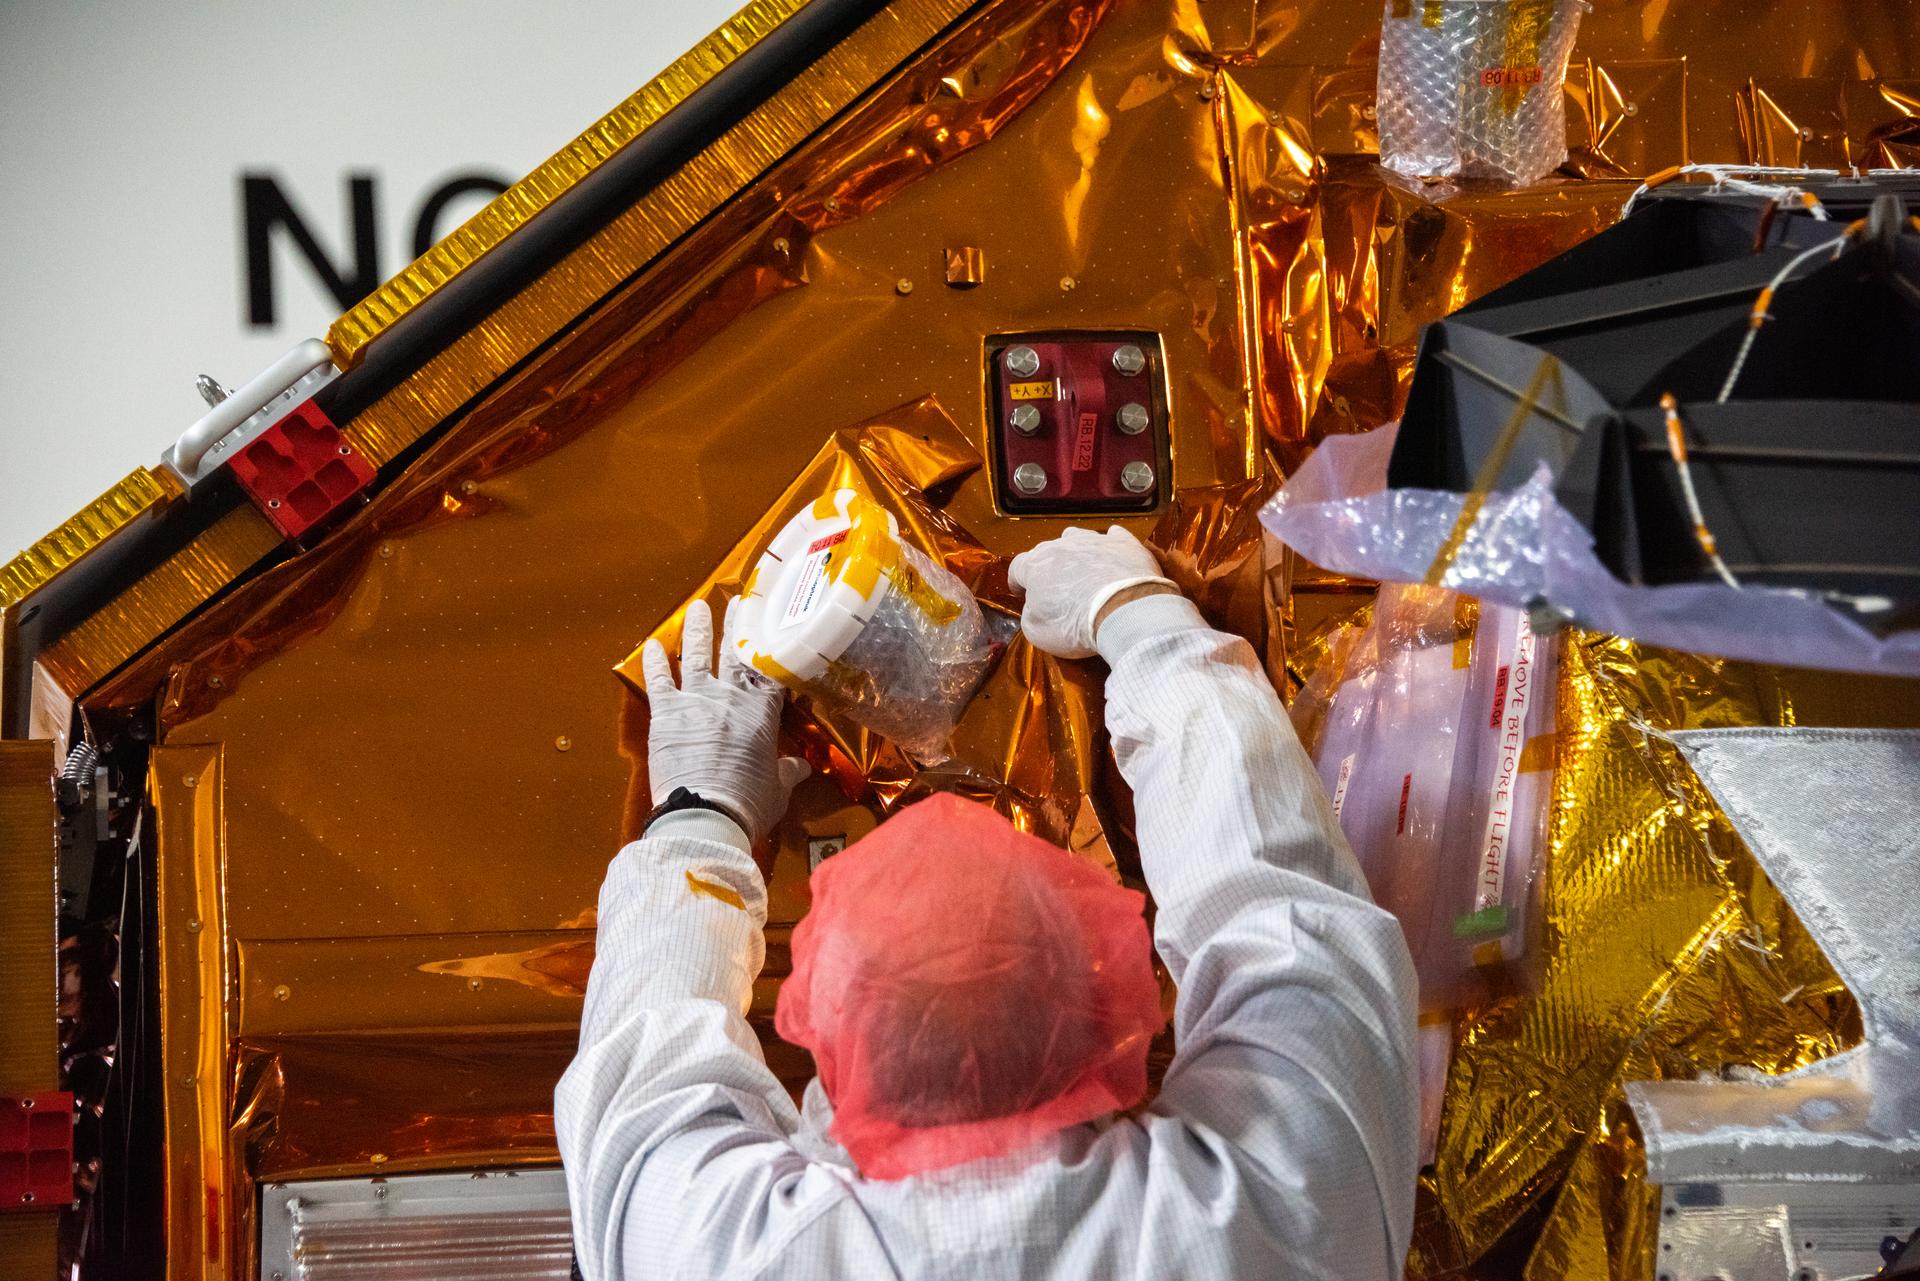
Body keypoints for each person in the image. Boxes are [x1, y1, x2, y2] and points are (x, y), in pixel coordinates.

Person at [556, 525, 1419, 1280]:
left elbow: (644, 1061)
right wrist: (1140, 615)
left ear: (816, 1018)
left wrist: (699, 809)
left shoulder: (717, 1251)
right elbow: (1279, 906)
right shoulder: (1284, 1201)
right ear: (1116, 993)